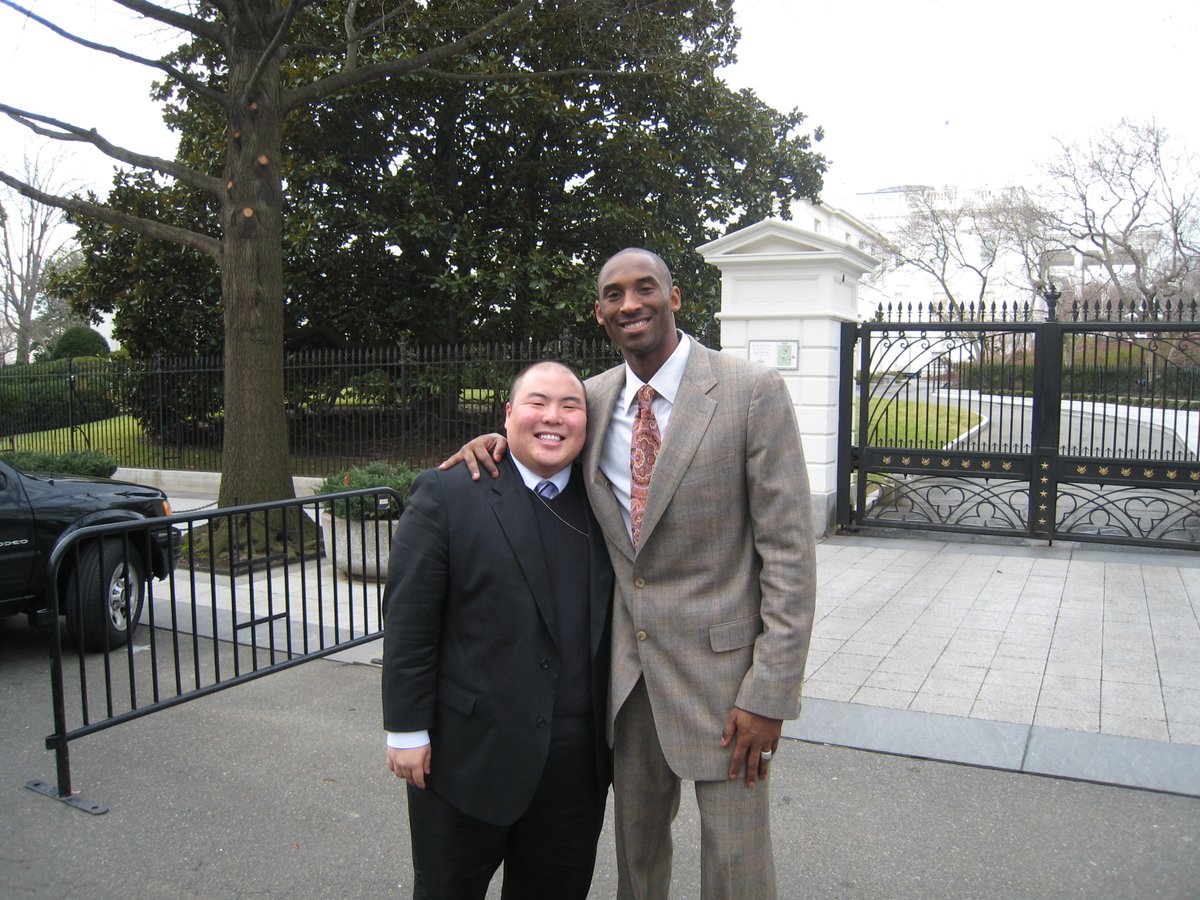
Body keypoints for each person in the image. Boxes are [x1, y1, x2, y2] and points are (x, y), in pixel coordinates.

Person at [445, 248, 816, 899]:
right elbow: (541, 438)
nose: (630, 303)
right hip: (627, 681)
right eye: (613, 294)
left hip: (730, 681)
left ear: (676, 298)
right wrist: (497, 443)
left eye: (645, 289)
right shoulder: (589, 399)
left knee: (737, 863)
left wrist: (771, 691)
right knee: (637, 861)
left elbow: (789, 555)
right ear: (600, 312)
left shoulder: (749, 392)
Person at [383, 360, 614, 900]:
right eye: (536, 402)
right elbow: (409, 620)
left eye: (570, 405)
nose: (552, 417)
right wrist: (406, 729)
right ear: (508, 414)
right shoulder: (447, 494)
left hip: (574, 772)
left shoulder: (608, 502)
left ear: (587, 422)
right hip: (466, 758)